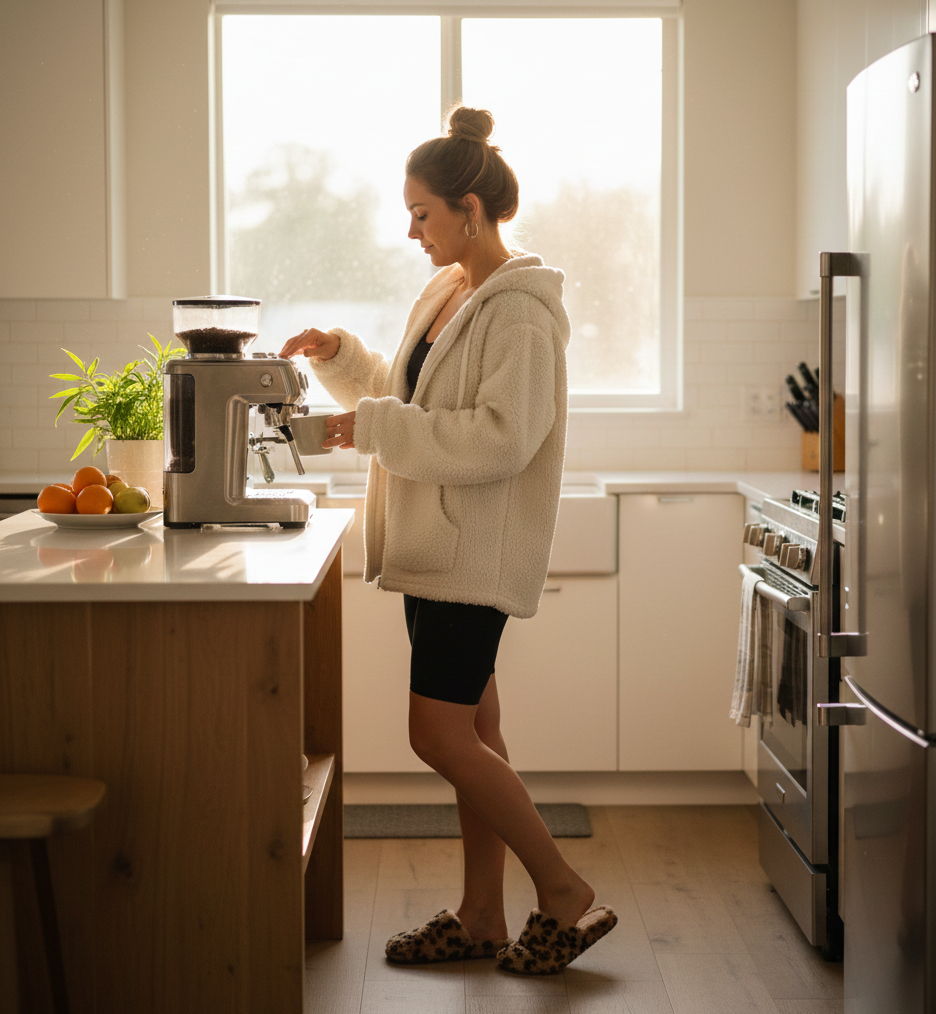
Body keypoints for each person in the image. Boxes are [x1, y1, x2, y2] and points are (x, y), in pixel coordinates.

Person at [278, 106, 617, 975]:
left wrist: (376, 425)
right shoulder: (449, 291)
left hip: (474, 551)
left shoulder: (522, 312)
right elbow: (413, 398)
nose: (410, 228)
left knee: (438, 735)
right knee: (476, 733)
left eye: (422, 211)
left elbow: (504, 435)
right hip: (437, 546)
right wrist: (343, 358)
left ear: (470, 207)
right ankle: (478, 915)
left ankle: (565, 891)